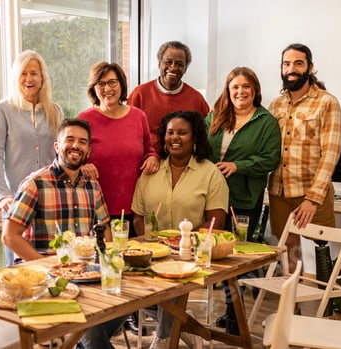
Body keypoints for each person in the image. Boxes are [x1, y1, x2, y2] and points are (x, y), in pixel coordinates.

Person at [2, 118, 125, 349]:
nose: (76, 146)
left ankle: (77, 342)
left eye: (82, 142)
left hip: (84, 274)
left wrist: (107, 263)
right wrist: (48, 266)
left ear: (88, 149)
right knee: (91, 322)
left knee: (127, 300)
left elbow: (104, 227)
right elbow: (10, 236)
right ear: (57, 146)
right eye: (70, 139)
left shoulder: (92, 185)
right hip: (42, 279)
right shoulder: (36, 183)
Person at [132, 110, 229, 349]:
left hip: (192, 255)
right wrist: (153, 244)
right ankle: (186, 327)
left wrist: (183, 245)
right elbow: (137, 216)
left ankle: (164, 339)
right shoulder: (150, 172)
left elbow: (216, 223)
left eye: (182, 133)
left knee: (174, 278)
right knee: (127, 287)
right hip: (153, 252)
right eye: (170, 132)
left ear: (195, 138)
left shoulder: (210, 174)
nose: (175, 138)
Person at [206, 66, 281, 334]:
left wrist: (238, 165)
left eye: (246, 87)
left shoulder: (266, 122)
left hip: (244, 198)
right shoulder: (214, 117)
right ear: (228, 90)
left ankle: (233, 314)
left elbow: (270, 159)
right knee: (211, 253)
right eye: (235, 86)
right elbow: (200, 148)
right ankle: (222, 310)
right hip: (213, 198)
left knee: (235, 256)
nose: (240, 92)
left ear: (255, 91)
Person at [267, 43, 341, 272]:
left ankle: (326, 303)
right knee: (288, 247)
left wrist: (312, 199)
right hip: (279, 192)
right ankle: (293, 305)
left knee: (321, 246)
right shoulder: (275, 104)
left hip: (311, 192)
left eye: (298, 63)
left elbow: (330, 153)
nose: (292, 68)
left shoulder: (327, 102)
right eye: (287, 64)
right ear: (281, 68)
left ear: (310, 68)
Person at [0, 49, 62, 266]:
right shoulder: (3, 110)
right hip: (16, 198)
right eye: (23, 73)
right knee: (18, 262)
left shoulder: (54, 111)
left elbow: (61, 154)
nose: (29, 79)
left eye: (34, 73)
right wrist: (3, 195)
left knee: (49, 256)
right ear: (15, 77)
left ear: (42, 77)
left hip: (49, 197)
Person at [77, 61, 159, 237]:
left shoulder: (138, 116)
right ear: (94, 88)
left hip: (134, 209)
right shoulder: (84, 119)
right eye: (101, 84)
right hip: (97, 208)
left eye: (112, 82)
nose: (107, 88)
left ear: (121, 84)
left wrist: (153, 158)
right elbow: (72, 157)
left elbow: (149, 150)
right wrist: (82, 167)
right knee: (102, 261)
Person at [128, 40, 210, 153]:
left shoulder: (196, 99)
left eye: (179, 64)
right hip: (147, 161)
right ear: (159, 64)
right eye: (168, 62)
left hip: (184, 163)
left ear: (185, 68)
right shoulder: (140, 94)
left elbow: (205, 134)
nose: (173, 67)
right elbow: (128, 131)